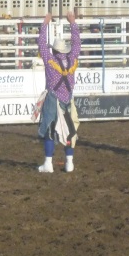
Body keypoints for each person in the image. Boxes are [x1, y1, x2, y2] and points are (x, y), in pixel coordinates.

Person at [35, 11, 81, 173]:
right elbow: (77, 44)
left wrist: (45, 23)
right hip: (67, 98)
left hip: (53, 98)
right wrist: (72, 22)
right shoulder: (73, 58)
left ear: (54, 50)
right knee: (69, 130)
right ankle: (69, 162)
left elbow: (41, 43)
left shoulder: (50, 60)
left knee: (49, 128)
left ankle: (48, 163)